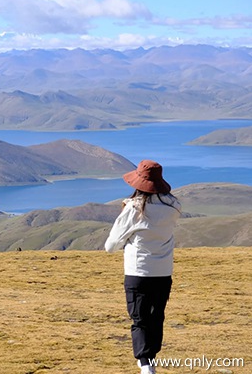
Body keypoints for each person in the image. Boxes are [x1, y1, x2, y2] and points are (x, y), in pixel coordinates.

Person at [105, 160, 182, 374]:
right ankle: (151, 357)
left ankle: (145, 362)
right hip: (163, 271)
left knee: (139, 318)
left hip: (137, 271)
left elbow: (110, 246)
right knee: (157, 316)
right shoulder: (173, 207)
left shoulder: (133, 209)